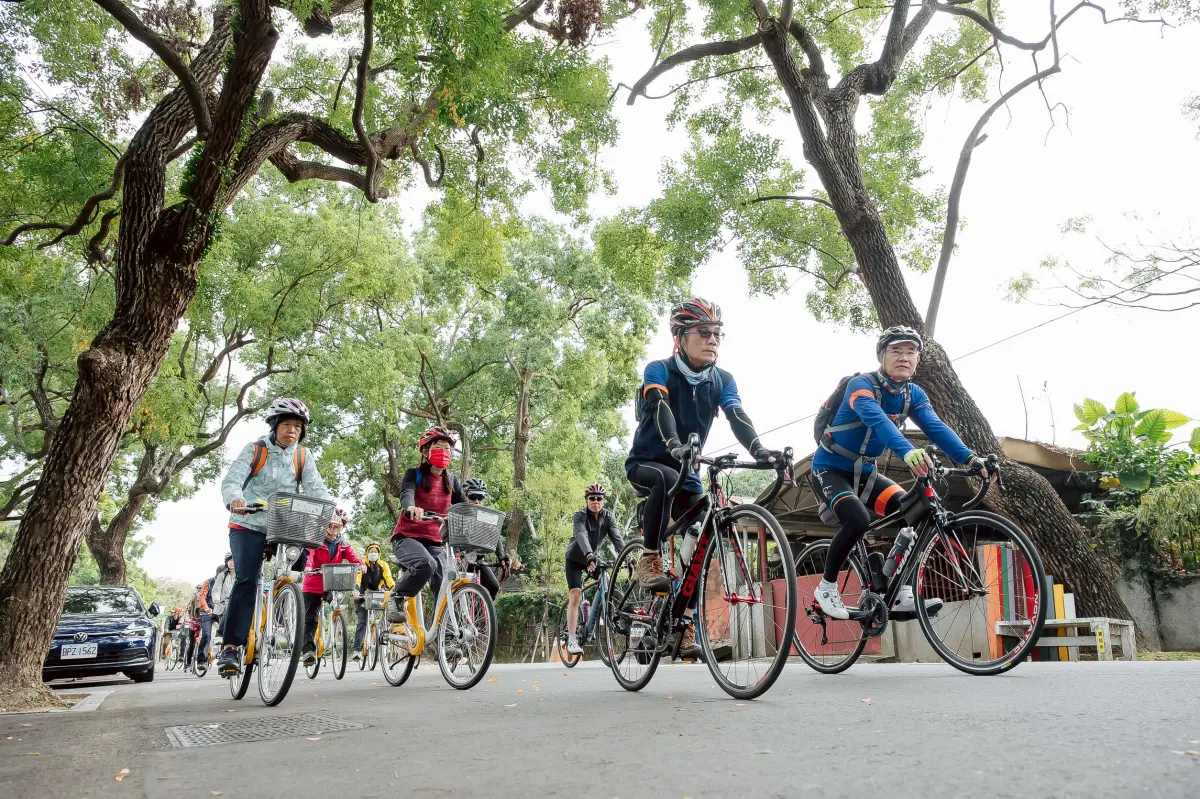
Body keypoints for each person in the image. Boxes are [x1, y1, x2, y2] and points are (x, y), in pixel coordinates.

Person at [625, 298, 780, 658]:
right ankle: (649, 558)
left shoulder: (722, 379)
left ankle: (685, 623)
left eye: (717, 334)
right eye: (704, 333)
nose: (713, 340)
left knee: (702, 542)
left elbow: (737, 414)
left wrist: (759, 449)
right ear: (679, 336)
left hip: (688, 470)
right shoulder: (659, 369)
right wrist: (675, 445)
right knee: (663, 478)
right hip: (648, 462)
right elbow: (661, 407)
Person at [810, 326, 995, 621]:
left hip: (866, 475)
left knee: (914, 512)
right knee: (857, 519)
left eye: (911, 351)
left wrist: (970, 458)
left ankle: (900, 592)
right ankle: (826, 588)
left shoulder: (913, 394)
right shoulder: (861, 385)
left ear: (918, 359)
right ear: (881, 356)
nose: (903, 357)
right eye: (896, 350)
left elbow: (936, 427)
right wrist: (908, 452)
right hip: (829, 470)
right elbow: (879, 421)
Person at [216, 397, 332, 676]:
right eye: (287, 425)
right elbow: (233, 479)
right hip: (249, 522)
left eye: (298, 427)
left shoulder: (302, 456)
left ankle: (283, 607)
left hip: (284, 525)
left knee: (297, 568)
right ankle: (231, 647)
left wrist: (331, 511)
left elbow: (317, 489)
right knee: (247, 579)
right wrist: (235, 499)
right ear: (275, 426)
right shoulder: (256, 450)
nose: (292, 431)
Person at [386, 426, 465, 625]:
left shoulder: (452, 481)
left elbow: (464, 507)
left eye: (447, 448)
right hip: (407, 538)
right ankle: (396, 597)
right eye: (438, 447)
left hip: (436, 541)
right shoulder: (414, 474)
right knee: (426, 564)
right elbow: (406, 494)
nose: (444, 452)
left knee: (444, 577)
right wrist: (411, 506)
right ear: (424, 451)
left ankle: (445, 635)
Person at [563, 484, 623, 656]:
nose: (596, 501)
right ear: (587, 500)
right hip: (575, 558)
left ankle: (602, 610)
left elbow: (617, 538)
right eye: (592, 498)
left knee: (608, 581)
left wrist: (626, 556)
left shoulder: (608, 517)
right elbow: (581, 535)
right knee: (575, 595)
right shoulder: (579, 516)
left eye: (599, 498)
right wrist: (589, 554)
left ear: (603, 500)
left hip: (592, 558)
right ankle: (572, 639)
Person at [301, 508, 364, 666]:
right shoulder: (316, 540)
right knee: (310, 618)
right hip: (313, 583)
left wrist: (361, 564)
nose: (334, 530)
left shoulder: (342, 543)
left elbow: (353, 556)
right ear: (325, 526)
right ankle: (308, 650)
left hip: (332, 583)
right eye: (331, 526)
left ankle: (336, 627)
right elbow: (309, 555)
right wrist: (308, 567)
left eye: (338, 527)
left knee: (336, 604)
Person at [460, 477, 517, 599]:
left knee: (493, 586)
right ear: (465, 496)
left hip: (478, 560)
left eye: (480, 498)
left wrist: (502, 557)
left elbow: (494, 535)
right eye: (472, 497)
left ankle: (480, 615)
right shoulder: (458, 514)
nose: (477, 501)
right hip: (460, 561)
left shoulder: (485, 517)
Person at [353, 542, 395, 660]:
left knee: (381, 619)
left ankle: (380, 645)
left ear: (379, 554)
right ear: (367, 553)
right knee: (362, 621)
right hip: (361, 595)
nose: (373, 554)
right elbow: (357, 579)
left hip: (376, 595)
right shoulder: (362, 565)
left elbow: (389, 579)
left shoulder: (383, 565)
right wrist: (355, 590)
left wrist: (394, 590)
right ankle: (357, 650)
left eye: (375, 552)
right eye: (371, 552)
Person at [195, 553, 235, 667]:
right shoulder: (208, 582)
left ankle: (225, 654)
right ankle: (201, 661)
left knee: (226, 629)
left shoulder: (231, 578)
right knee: (206, 635)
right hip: (207, 611)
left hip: (222, 609)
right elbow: (202, 597)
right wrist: (207, 608)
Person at [183, 586, 204, 670]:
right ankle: (188, 663)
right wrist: (188, 619)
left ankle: (202, 661)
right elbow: (187, 611)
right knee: (191, 644)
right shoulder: (193, 600)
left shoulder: (208, 599)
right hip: (193, 624)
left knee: (205, 641)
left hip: (203, 623)